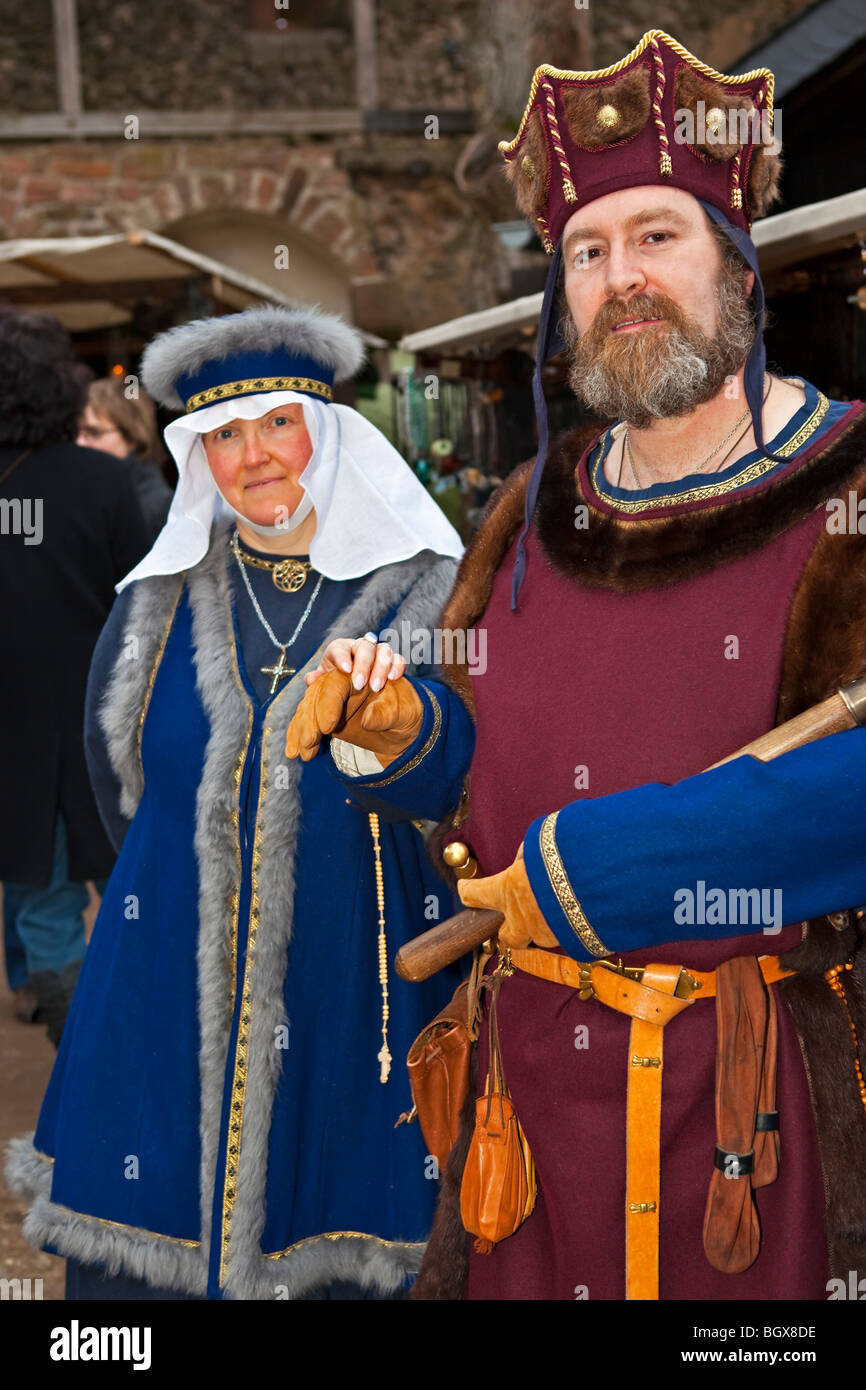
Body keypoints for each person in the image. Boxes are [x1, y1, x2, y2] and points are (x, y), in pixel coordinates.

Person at [287, 30, 866, 1300]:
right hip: (529, 1102)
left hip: (751, 1111)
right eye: (587, 252)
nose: (620, 276)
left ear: (737, 265)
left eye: (657, 235)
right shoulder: (527, 506)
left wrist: (606, 865)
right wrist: (402, 734)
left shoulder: (849, 484)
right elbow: (476, 751)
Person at [6, 304, 470, 1302]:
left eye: (275, 424)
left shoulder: (434, 593)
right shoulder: (159, 597)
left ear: (327, 431)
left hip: (359, 986)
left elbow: (473, 789)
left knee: (350, 1240)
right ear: (195, 454)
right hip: (166, 980)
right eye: (222, 434)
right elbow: (116, 775)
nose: (251, 455)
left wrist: (393, 730)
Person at [0, 308, 151, 1046]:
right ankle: (140, 1052)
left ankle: (81, 1068)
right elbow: (149, 607)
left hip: (15, 735)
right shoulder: (108, 481)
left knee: (42, 908)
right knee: (137, 890)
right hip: (108, 720)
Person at [77, 377, 173, 538]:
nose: (79, 442)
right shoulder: (92, 491)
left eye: (94, 432)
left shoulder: (156, 506)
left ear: (132, 437)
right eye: (77, 432)